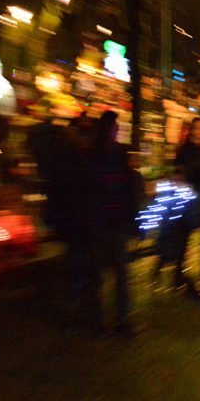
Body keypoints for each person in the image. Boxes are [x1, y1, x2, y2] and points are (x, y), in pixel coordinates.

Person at [81, 110, 142, 336]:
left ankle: (103, 322)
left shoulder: (95, 154)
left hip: (104, 223)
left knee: (105, 275)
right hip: (107, 223)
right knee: (116, 274)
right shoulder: (110, 155)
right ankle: (117, 321)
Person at [173, 116, 200, 290]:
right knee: (185, 235)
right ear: (192, 130)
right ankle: (178, 271)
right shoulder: (185, 150)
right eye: (197, 128)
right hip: (190, 196)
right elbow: (179, 172)